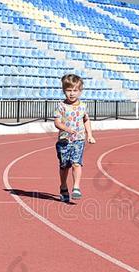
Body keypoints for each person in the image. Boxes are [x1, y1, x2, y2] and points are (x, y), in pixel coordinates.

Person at [53, 74, 96, 202]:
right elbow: (57, 122)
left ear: (80, 91)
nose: (72, 94)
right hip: (64, 141)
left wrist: (90, 135)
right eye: (69, 90)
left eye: (75, 90)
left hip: (79, 140)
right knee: (64, 166)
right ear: (64, 90)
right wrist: (66, 129)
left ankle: (76, 187)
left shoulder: (83, 106)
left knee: (77, 163)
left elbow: (86, 120)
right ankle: (63, 186)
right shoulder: (61, 106)